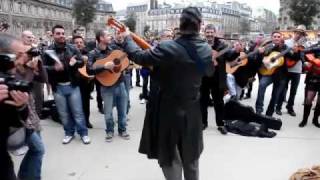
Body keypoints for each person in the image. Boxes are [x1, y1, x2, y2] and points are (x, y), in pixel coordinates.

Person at [121, 7, 214, 180]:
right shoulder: (206, 49)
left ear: (180, 24)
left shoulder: (167, 47)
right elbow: (208, 72)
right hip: (192, 109)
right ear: (199, 25)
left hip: (168, 110)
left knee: (170, 157)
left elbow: (138, 56)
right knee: (192, 157)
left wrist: (127, 38)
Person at [43, 25, 90, 144]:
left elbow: (81, 62)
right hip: (58, 87)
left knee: (78, 112)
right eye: (58, 33)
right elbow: (43, 68)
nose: (61, 35)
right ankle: (69, 133)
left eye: (63, 33)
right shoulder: (48, 51)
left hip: (73, 85)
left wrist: (75, 63)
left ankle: (83, 133)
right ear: (53, 35)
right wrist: (54, 68)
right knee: (63, 114)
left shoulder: (72, 48)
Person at [87, 30, 129, 142]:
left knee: (122, 109)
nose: (110, 37)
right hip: (106, 86)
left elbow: (123, 61)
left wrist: (120, 67)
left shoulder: (114, 51)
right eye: (107, 35)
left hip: (120, 84)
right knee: (108, 112)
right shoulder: (93, 53)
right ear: (101, 38)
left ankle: (122, 129)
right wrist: (104, 67)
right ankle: (109, 131)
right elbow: (89, 70)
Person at [0, 33, 30, 180]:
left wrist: (21, 106)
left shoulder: (9, 79)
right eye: (17, 56)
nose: (21, 61)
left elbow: (16, 122)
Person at [200, 24, 228, 133]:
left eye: (211, 32)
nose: (210, 34)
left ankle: (221, 124)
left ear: (215, 33)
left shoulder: (222, 45)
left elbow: (229, 56)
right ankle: (203, 122)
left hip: (217, 77)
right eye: (208, 32)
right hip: (203, 77)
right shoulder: (200, 44)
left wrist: (236, 51)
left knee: (219, 102)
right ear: (205, 33)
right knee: (203, 101)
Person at [275, 25, 307, 116]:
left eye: (301, 34)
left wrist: (298, 51)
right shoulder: (287, 42)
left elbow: (302, 57)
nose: (299, 35)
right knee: (283, 89)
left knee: (293, 91)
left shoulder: (303, 45)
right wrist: (292, 52)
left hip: (297, 70)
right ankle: (278, 107)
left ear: (303, 36)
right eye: (297, 33)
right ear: (294, 33)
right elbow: (284, 55)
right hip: (286, 69)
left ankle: (290, 107)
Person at [299, 46, 320, 127]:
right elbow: (302, 52)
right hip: (313, 77)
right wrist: (304, 62)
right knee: (308, 99)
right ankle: (304, 120)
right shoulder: (317, 48)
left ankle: (315, 120)